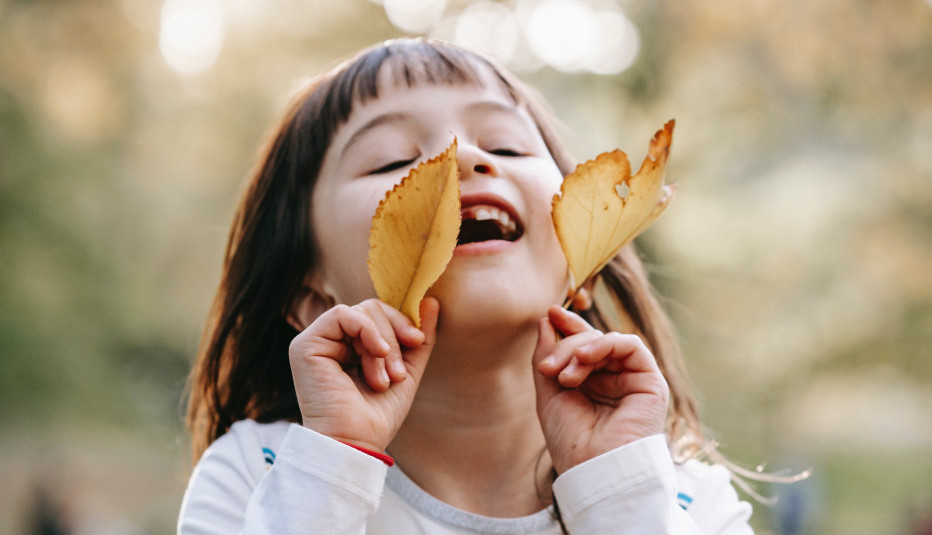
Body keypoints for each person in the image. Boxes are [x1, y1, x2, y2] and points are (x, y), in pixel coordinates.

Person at [177, 38, 755, 534]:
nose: (464, 157)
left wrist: (619, 495)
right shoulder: (263, 473)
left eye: (506, 145)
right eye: (388, 160)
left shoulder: (686, 501)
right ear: (312, 297)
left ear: (585, 263)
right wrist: (332, 468)